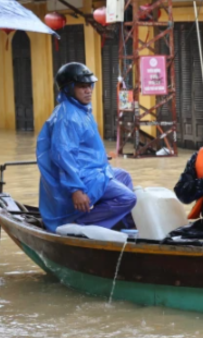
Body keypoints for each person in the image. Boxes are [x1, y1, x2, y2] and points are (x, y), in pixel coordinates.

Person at [36, 63, 136, 233]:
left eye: (89, 86)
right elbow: (62, 156)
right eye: (82, 87)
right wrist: (76, 189)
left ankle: (126, 227)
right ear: (68, 89)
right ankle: (79, 225)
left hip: (93, 171)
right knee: (127, 198)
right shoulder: (68, 116)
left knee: (124, 176)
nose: (88, 90)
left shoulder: (81, 110)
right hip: (82, 177)